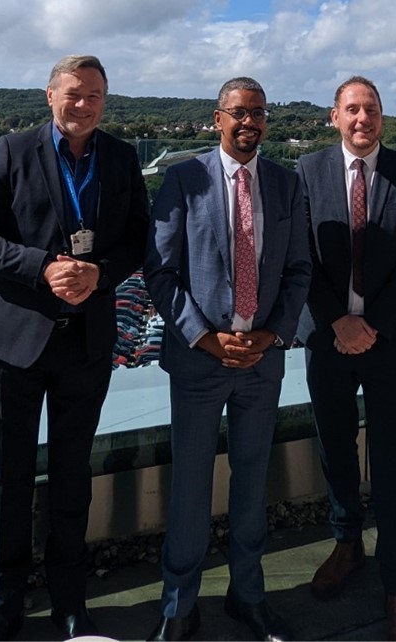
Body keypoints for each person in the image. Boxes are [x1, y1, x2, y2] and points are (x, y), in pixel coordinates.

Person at [0, 54, 149, 642]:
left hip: (87, 345)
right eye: (73, 93)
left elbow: (140, 239)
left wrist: (100, 273)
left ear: (105, 101)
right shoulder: (13, 151)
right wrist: (43, 267)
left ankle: (71, 605)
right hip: (14, 344)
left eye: (94, 95)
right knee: (8, 481)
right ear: (50, 96)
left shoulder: (120, 157)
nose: (84, 104)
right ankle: (3, 611)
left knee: (72, 480)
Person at [143, 76, 311, 642]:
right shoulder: (182, 179)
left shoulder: (286, 185)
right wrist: (205, 338)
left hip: (262, 363)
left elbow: (299, 271)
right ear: (217, 119)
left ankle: (248, 595)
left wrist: (272, 336)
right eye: (239, 113)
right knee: (190, 485)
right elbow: (160, 272)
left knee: (251, 483)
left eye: (259, 113)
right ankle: (178, 605)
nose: (250, 123)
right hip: (200, 362)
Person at [294, 76, 396, 640]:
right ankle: (347, 541)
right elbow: (297, 256)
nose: (362, 119)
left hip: (391, 340)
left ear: (382, 117)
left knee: (395, 454)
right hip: (328, 338)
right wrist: (339, 321)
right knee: (335, 445)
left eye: (371, 109)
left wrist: (371, 324)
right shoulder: (305, 172)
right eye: (352, 109)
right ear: (333, 116)